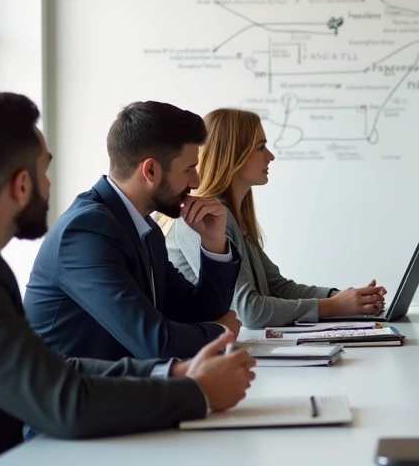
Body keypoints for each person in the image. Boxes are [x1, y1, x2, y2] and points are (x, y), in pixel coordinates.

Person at [0, 93, 255, 466]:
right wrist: (196, 391)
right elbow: (61, 398)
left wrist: (176, 373)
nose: (49, 185)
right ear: (21, 185)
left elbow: (50, 368)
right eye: (45, 170)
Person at [25, 101, 241, 361]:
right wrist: (221, 333)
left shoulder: (146, 230)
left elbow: (197, 312)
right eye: (188, 169)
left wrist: (213, 241)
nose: (195, 182)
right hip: (74, 386)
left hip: (123, 381)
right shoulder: (85, 231)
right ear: (150, 170)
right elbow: (155, 342)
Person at [165, 108, 388, 327]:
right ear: (233, 155)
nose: (270, 156)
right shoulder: (201, 220)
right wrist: (332, 306)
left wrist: (343, 297)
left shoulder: (233, 216)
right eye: (260, 147)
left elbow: (277, 287)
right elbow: (249, 312)